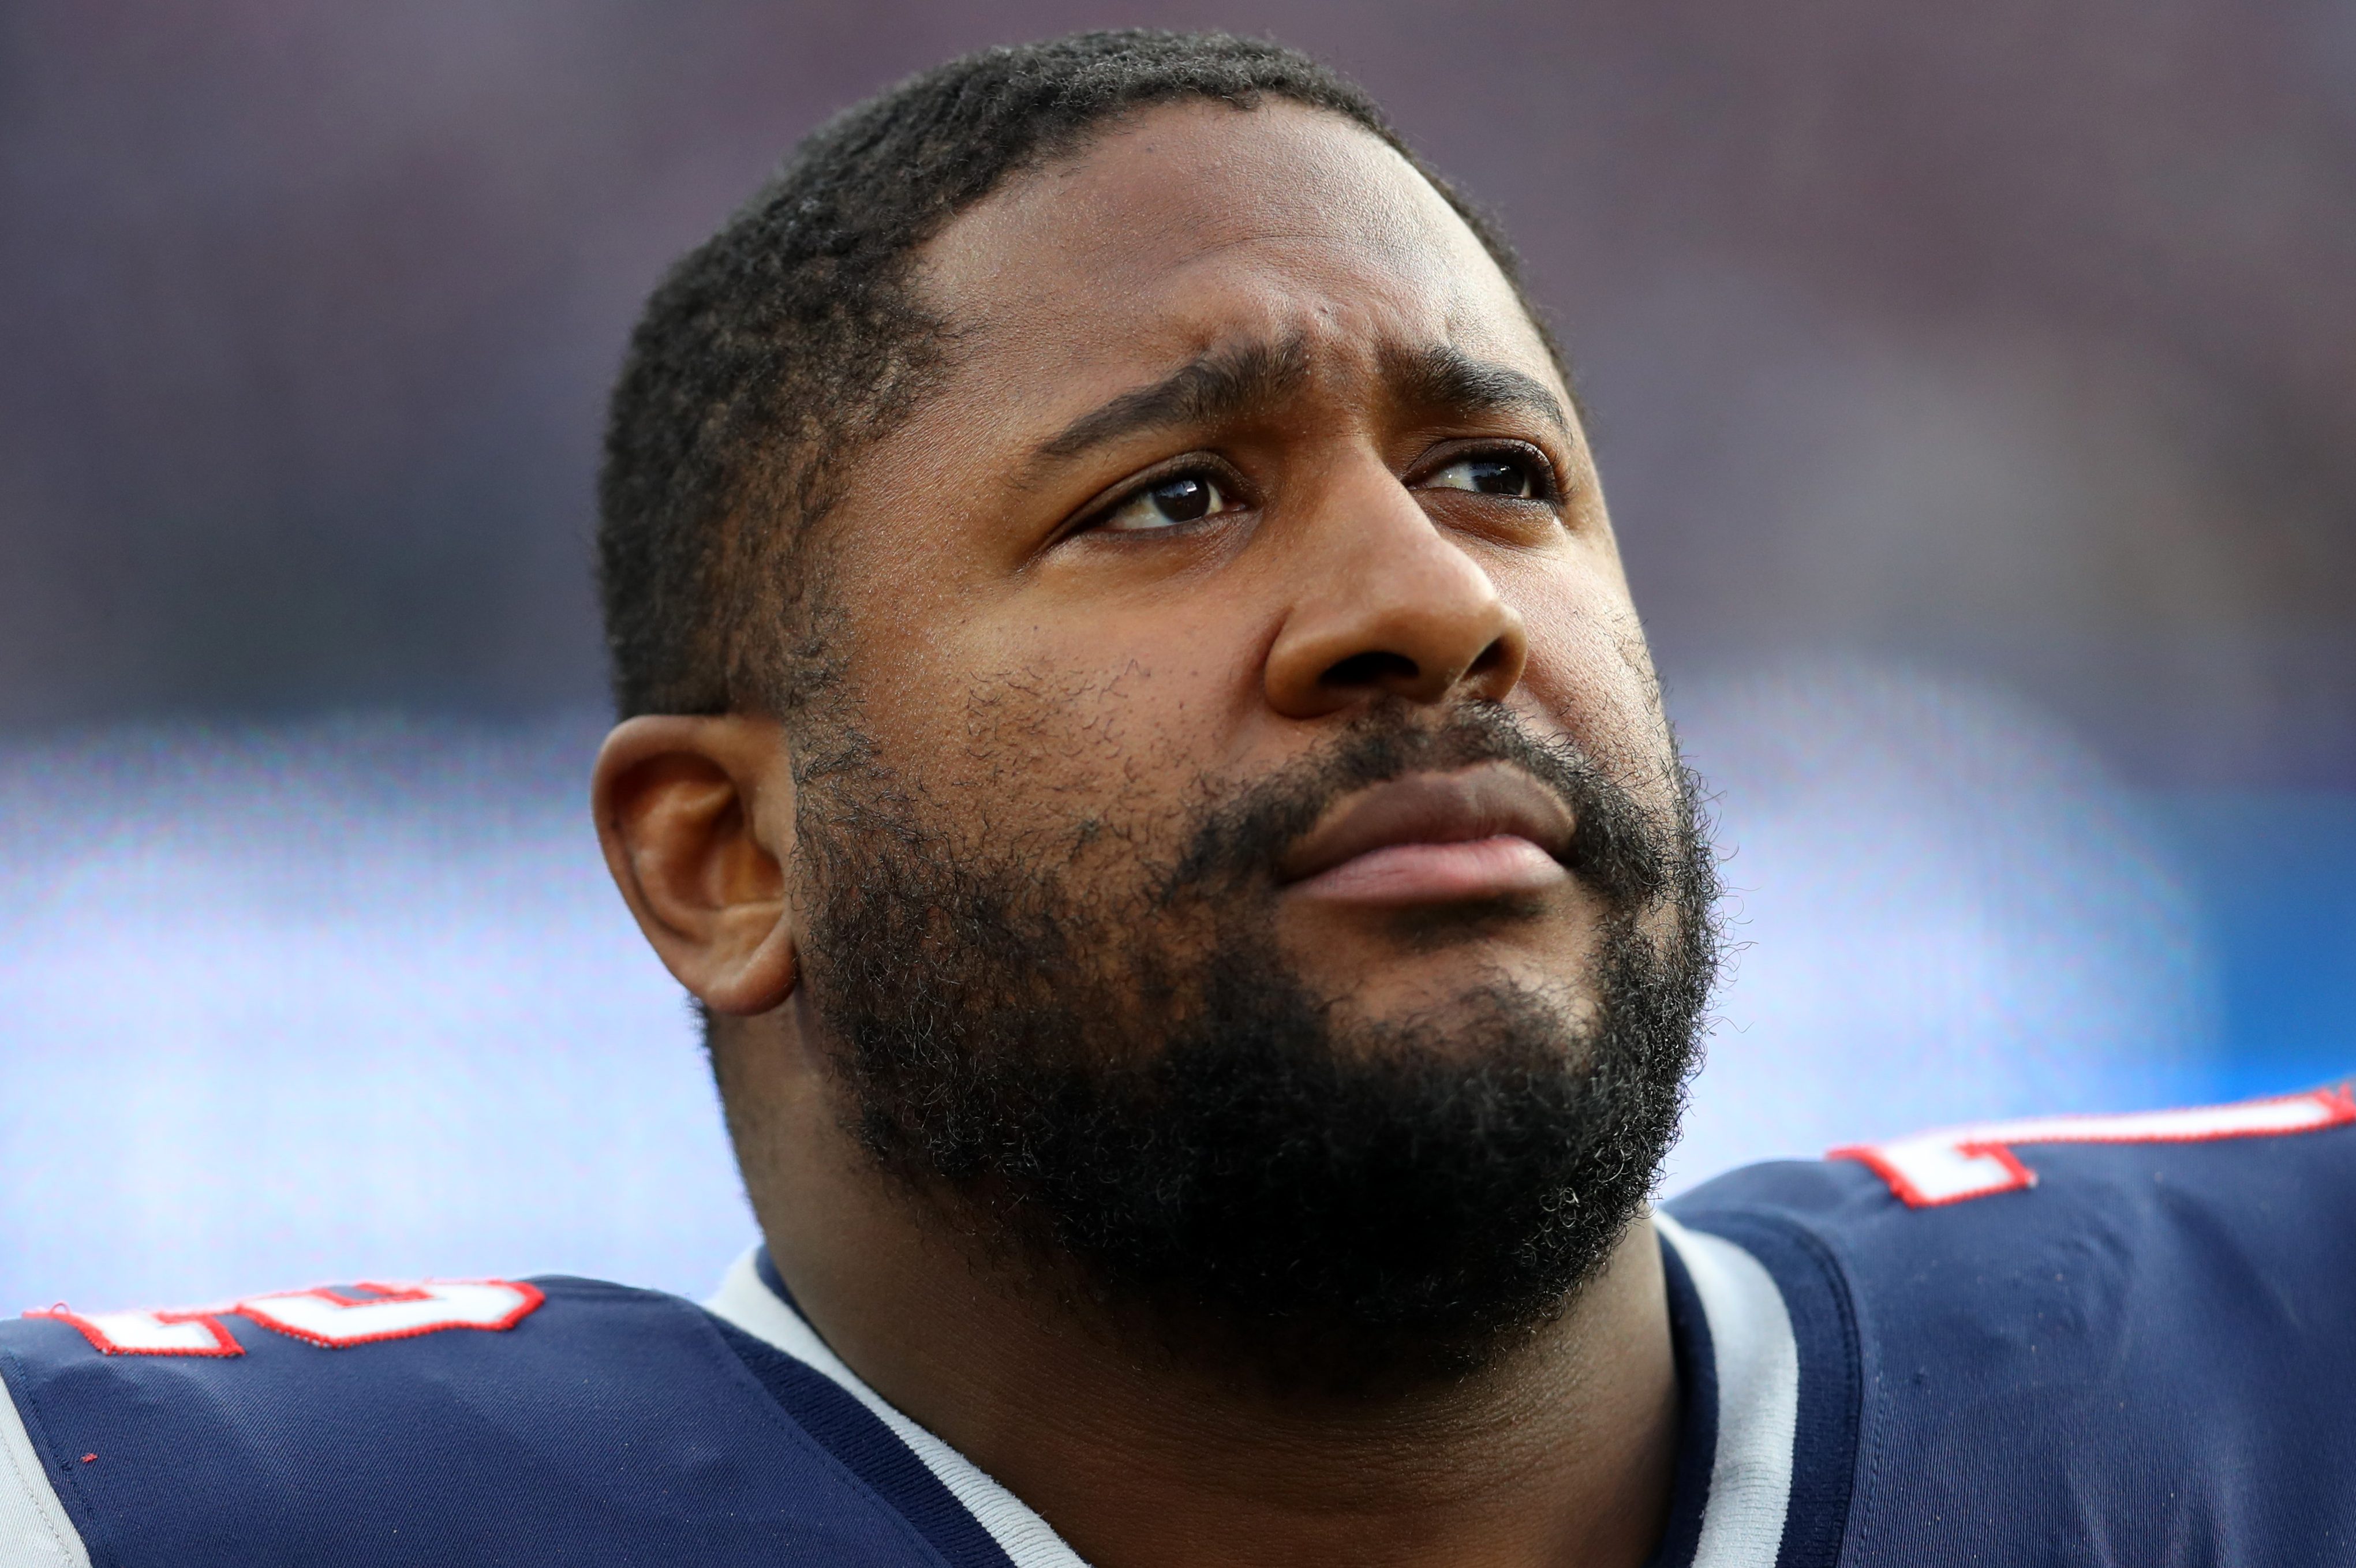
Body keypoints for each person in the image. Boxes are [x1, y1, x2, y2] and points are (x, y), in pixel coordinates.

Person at [3, 29, 2350, 1567]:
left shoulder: (2269, 1369)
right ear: (725, 860)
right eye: (1173, 496)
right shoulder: (174, 1516)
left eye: (1497, 469)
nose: (1425, 598)